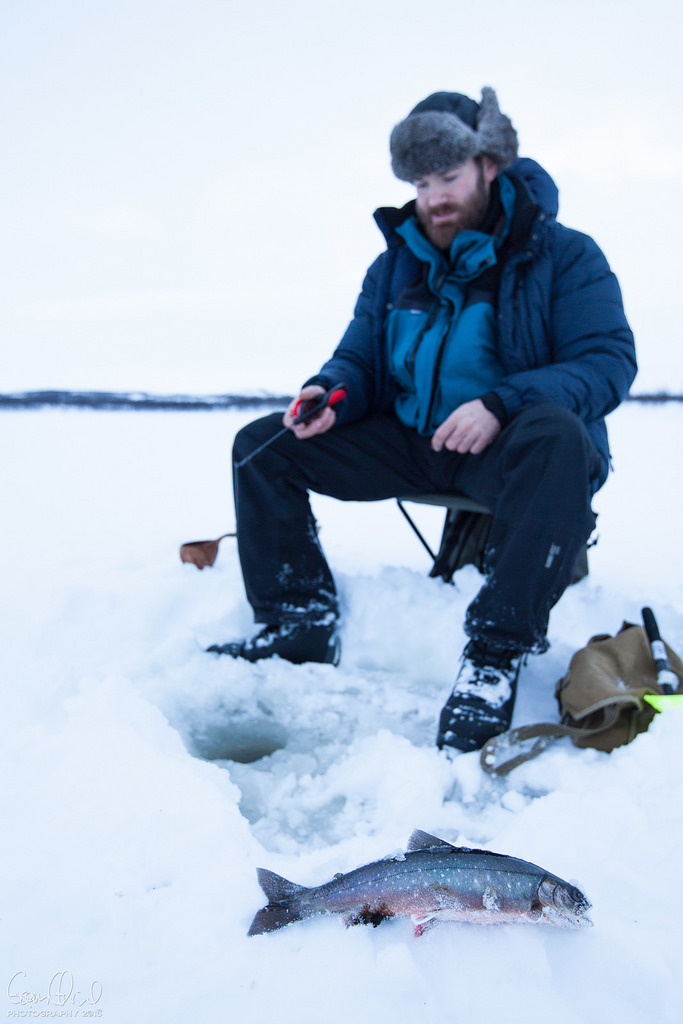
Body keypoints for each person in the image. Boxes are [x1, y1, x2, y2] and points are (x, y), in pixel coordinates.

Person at [208, 87, 637, 753]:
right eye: (419, 181)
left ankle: (492, 659)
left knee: (557, 435)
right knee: (262, 446)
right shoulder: (395, 262)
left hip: (513, 451)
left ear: (488, 166)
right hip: (414, 442)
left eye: (447, 177)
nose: (432, 197)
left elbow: (607, 362)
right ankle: (298, 617)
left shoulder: (564, 254)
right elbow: (360, 356)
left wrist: (500, 405)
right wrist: (332, 392)